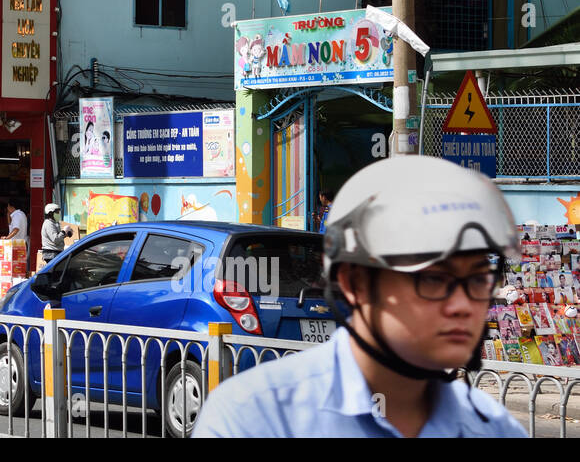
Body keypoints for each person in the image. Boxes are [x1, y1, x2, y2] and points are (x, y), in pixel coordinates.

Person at [192, 156, 528, 438]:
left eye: (478, 278)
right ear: (356, 284)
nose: (462, 305)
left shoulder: (494, 428)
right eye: (434, 279)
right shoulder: (253, 416)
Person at [37, 203, 73, 270]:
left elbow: (58, 237)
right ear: (50, 213)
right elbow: (55, 239)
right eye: (57, 212)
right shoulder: (48, 223)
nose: (58, 214)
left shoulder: (55, 223)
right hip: (51, 253)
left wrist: (66, 234)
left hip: (56, 252)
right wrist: (63, 231)